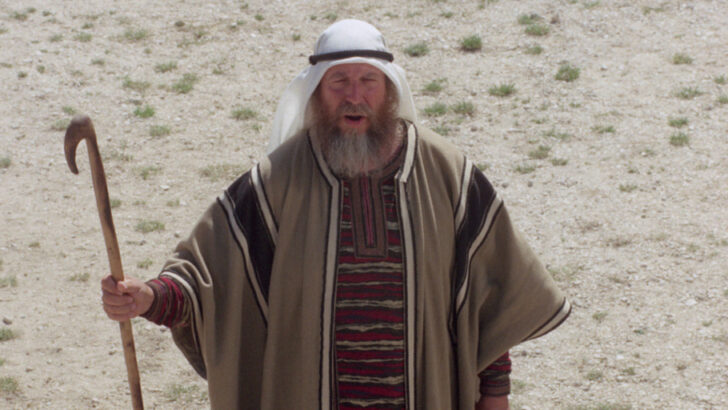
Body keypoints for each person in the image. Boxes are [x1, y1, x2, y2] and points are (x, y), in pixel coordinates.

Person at [101, 19, 570, 410]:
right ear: (317, 92)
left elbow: (490, 298)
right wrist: (149, 298)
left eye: (368, 81)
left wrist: (495, 395)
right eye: (338, 81)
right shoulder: (278, 181)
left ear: (389, 89)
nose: (354, 96)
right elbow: (209, 278)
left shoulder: (447, 174)